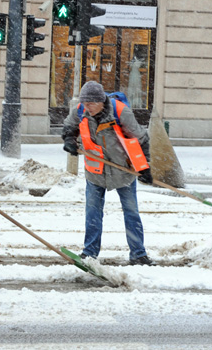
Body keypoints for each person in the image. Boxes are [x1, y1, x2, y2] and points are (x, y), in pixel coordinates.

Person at [62, 81, 155, 266]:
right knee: (93, 213)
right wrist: (70, 141)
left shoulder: (121, 113)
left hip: (123, 170)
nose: (86, 108)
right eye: (84, 104)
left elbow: (141, 139)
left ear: (100, 102)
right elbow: (68, 127)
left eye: (90, 104)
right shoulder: (81, 110)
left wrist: (144, 168)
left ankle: (138, 254)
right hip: (95, 171)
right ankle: (89, 254)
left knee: (131, 212)